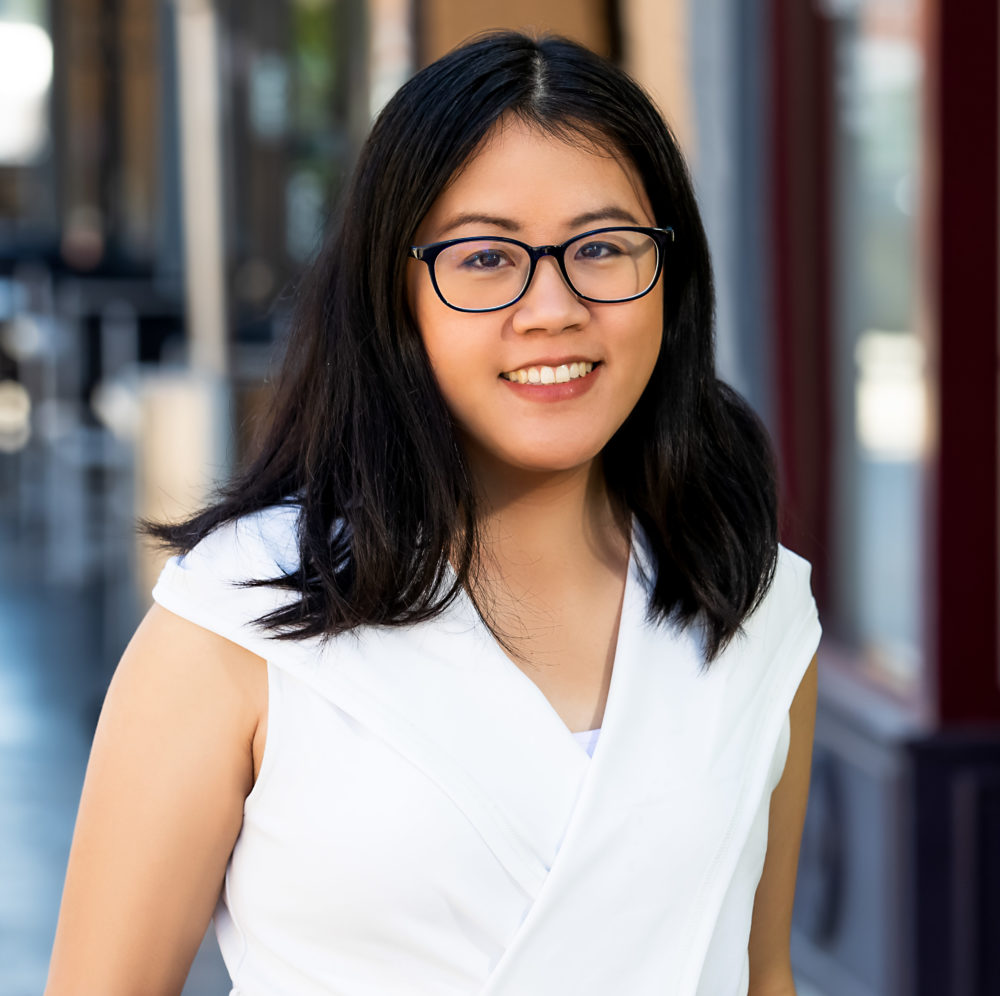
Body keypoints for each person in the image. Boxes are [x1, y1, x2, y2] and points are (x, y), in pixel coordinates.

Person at [46, 31, 820, 996]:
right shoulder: (236, 618)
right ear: (395, 293)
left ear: (673, 278)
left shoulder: (755, 603)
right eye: (488, 257)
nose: (553, 307)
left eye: (605, 248)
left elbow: (762, 974)